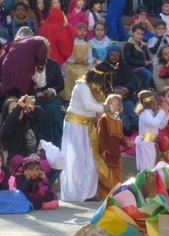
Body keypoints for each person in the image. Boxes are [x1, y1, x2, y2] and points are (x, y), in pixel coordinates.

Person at [60, 62, 116, 202]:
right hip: (76, 125)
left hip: (88, 125)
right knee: (77, 158)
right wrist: (109, 107)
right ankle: (75, 194)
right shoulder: (82, 84)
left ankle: (89, 193)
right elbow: (88, 105)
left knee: (90, 159)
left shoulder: (93, 86)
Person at [96, 93, 132, 198]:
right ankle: (103, 193)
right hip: (106, 151)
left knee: (117, 172)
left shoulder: (118, 120)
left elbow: (120, 136)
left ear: (119, 107)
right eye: (110, 103)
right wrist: (103, 149)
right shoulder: (104, 119)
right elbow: (100, 135)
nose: (113, 106)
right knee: (105, 174)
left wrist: (126, 144)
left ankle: (117, 192)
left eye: (116, 104)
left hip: (116, 152)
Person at [29, 47, 65, 148]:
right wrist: (35, 94)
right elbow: (25, 86)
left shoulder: (53, 64)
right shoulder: (28, 65)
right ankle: (36, 143)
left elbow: (60, 85)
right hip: (32, 94)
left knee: (51, 109)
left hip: (50, 94)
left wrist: (52, 91)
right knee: (35, 109)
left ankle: (55, 143)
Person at [1, 95, 44, 163]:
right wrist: (18, 107)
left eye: (20, 108)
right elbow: (5, 130)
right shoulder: (9, 127)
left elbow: (41, 114)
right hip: (18, 164)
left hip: (34, 161)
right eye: (13, 109)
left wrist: (32, 108)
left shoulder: (27, 120)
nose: (19, 111)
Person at [134, 90, 169, 172]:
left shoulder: (150, 112)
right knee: (147, 168)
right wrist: (161, 112)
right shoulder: (145, 112)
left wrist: (166, 114)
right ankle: (146, 183)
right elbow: (154, 123)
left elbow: (160, 125)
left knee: (151, 166)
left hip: (151, 142)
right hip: (146, 141)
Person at [108, 44, 139, 135]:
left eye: (116, 54)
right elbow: (103, 83)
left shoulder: (125, 66)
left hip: (126, 94)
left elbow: (133, 80)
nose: (114, 57)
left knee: (131, 111)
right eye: (112, 55)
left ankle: (133, 132)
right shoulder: (104, 67)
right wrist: (115, 91)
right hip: (112, 96)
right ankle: (123, 132)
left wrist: (126, 89)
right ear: (108, 55)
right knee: (120, 114)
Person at [60, 23, 94, 102]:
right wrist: (74, 61)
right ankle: (75, 96)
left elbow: (91, 58)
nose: (82, 32)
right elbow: (66, 57)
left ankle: (86, 96)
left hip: (83, 65)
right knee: (78, 75)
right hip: (71, 65)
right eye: (80, 30)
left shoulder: (87, 45)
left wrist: (87, 62)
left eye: (84, 30)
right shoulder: (71, 43)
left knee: (89, 74)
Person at [124, 23, 154, 92]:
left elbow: (146, 56)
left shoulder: (143, 44)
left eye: (142, 34)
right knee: (147, 74)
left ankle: (151, 88)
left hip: (143, 65)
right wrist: (143, 63)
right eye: (138, 33)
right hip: (133, 67)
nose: (140, 36)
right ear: (132, 33)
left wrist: (149, 62)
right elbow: (128, 59)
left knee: (153, 70)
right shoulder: (129, 45)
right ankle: (140, 91)